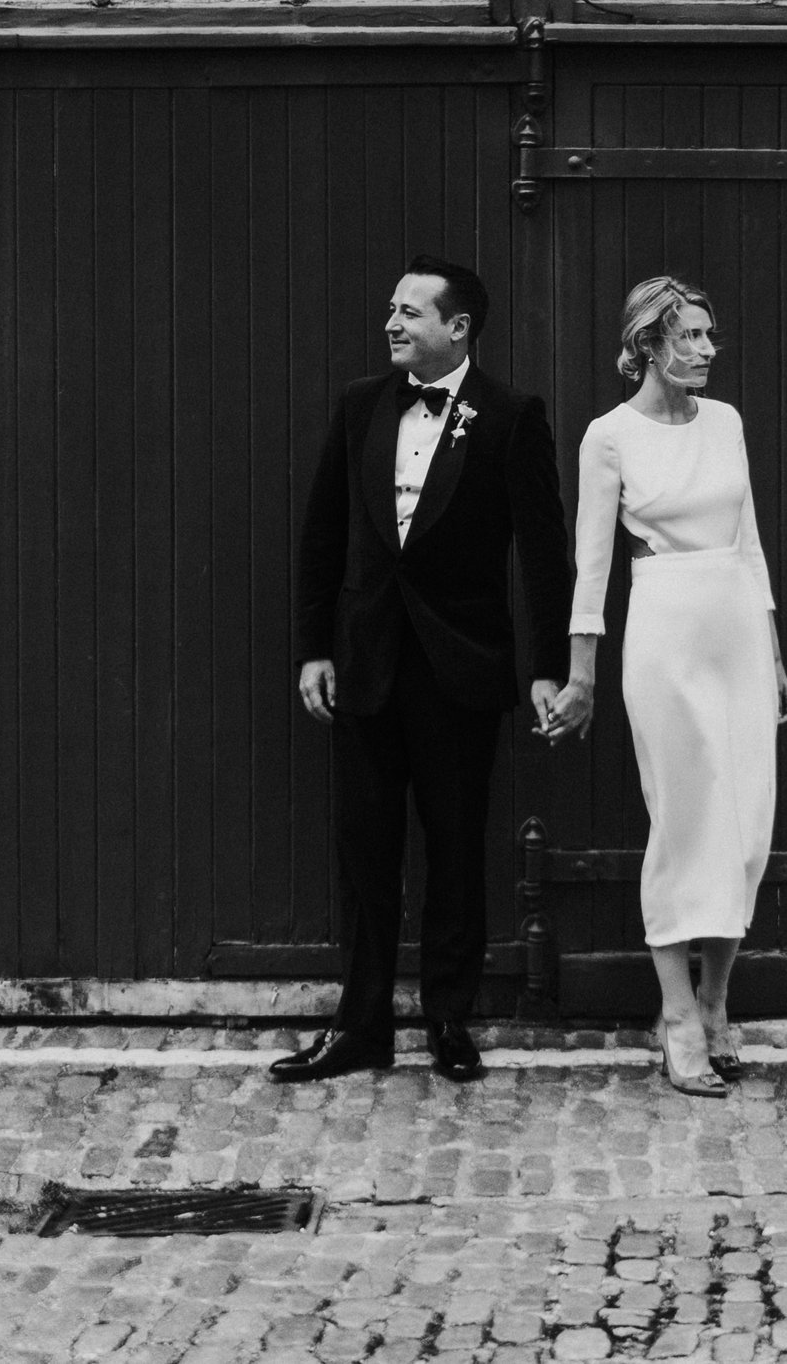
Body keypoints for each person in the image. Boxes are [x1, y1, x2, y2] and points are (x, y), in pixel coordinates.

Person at [281, 257, 572, 1084]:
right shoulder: (359, 406)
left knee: (454, 850)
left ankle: (450, 1016)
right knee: (365, 853)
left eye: (411, 312)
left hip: (460, 672)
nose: (392, 323)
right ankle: (361, 1023)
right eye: (390, 310)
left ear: (459, 328)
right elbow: (322, 536)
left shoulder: (512, 416)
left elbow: (545, 557)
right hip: (365, 668)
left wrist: (547, 667)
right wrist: (313, 647)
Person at [541, 276, 787, 1097]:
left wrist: (775, 650)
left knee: (747, 829)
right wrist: (580, 671)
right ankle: (678, 1013)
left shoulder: (726, 423)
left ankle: (719, 997)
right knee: (686, 822)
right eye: (690, 336)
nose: (708, 350)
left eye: (711, 335)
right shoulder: (608, 437)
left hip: (737, 633)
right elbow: (591, 567)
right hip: (665, 632)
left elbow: (750, 541)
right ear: (648, 344)